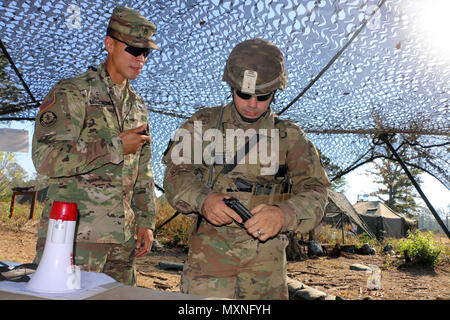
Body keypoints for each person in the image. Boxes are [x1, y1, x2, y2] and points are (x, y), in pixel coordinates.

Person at [162, 38, 330, 299]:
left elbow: (317, 191)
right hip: (208, 262)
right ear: (231, 87)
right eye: (244, 94)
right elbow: (175, 177)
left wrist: (284, 214)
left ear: (275, 92)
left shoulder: (291, 137)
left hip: (267, 268)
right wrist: (203, 199)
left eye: (263, 97)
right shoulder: (202, 125)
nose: (253, 104)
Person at [31, 6, 159, 286]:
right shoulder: (73, 92)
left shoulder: (138, 107)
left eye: (146, 53)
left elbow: (144, 171)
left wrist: (146, 221)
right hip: (75, 239)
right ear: (109, 44)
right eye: (134, 50)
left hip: (122, 242)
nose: (141, 59)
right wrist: (114, 146)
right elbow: (45, 158)